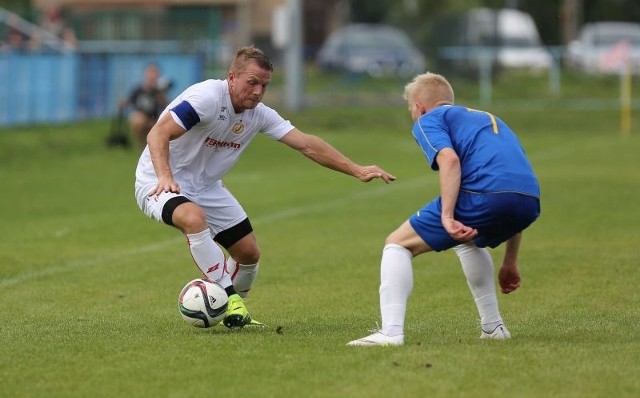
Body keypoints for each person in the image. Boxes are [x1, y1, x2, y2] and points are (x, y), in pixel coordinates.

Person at [134, 46, 396, 329]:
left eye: (265, 85)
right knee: (193, 218)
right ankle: (232, 300)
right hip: (159, 180)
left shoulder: (258, 115)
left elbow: (307, 144)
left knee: (248, 254)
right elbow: (158, 132)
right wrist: (164, 176)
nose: (258, 92)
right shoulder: (207, 98)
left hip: (207, 187)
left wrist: (357, 169)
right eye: (252, 82)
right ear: (232, 77)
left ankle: (232, 316)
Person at [347, 72, 540, 346]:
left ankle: (390, 332)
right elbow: (510, 187)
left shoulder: (428, 119)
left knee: (397, 244)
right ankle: (493, 328)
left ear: (418, 106)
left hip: (485, 194)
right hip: (529, 198)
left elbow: (449, 160)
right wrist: (510, 261)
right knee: (466, 239)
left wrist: (447, 216)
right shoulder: (489, 119)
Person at [120, 64, 171, 149]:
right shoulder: (139, 89)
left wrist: (159, 94)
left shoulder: (160, 90)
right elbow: (130, 100)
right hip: (142, 117)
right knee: (138, 119)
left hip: (156, 118)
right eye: (150, 73)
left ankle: (154, 146)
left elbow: (166, 105)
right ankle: (140, 145)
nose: (152, 77)